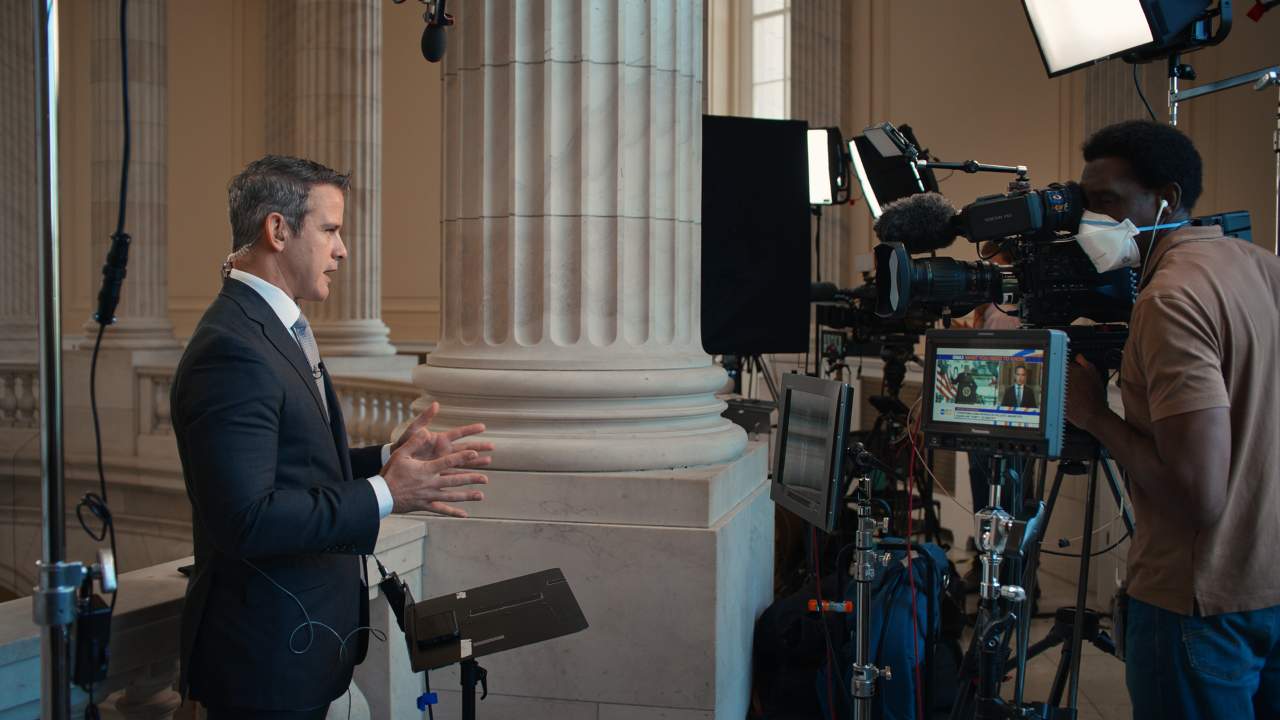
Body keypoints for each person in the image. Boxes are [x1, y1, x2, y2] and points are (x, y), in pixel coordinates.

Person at [171, 155, 494, 719]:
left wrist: (386, 459)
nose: (342, 250)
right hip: (264, 666)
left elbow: (293, 466)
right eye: (330, 230)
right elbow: (246, 517)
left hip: (298, 651)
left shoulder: (272, 325)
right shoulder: (232, 348)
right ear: (277, 230)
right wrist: (386, 493)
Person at [1065, 120, 1280, 720]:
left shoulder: (1168, 299)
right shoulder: (1264, 268)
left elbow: (1196, 491)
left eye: (1107, 201)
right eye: (1087, 203)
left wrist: (1091, 413)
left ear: (1167, 199)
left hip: (1196, 604)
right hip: (1269, 585)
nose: (1092, 219)